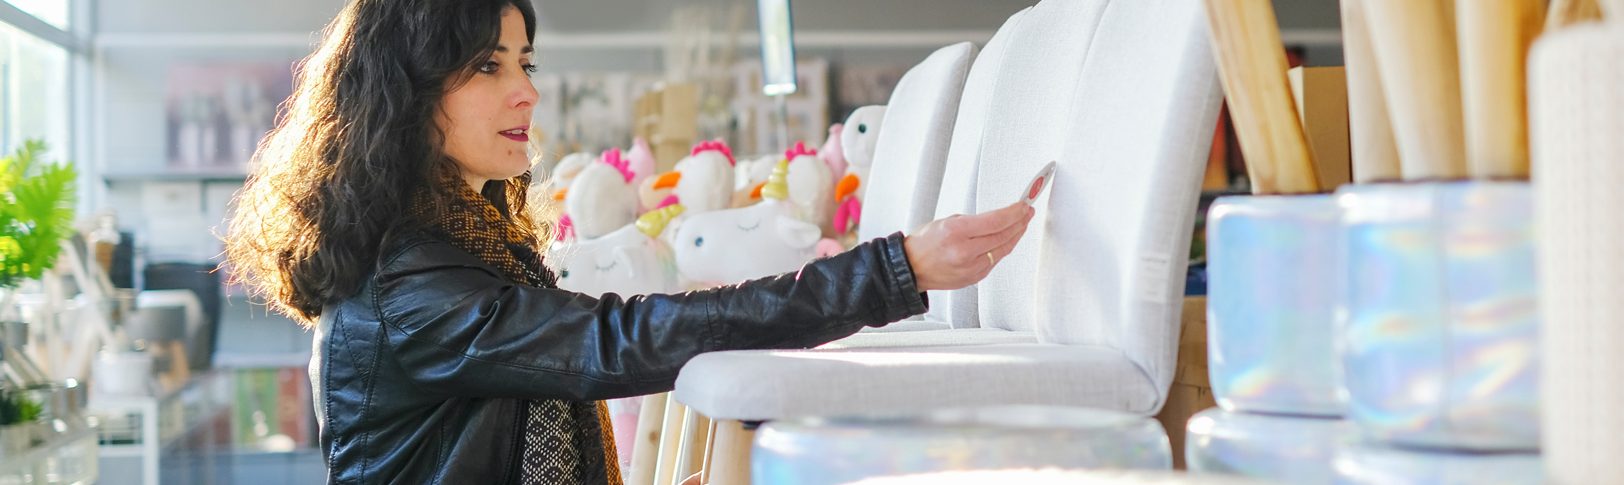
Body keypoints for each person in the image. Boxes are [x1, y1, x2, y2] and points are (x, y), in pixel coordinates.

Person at [221, 1, 1034, 483]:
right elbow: (612, 340)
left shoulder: (453, 245)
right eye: (486, 67)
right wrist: (897, 269)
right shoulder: (413, 282)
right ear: (407, 92)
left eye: (525, 62)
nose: (527, 91)